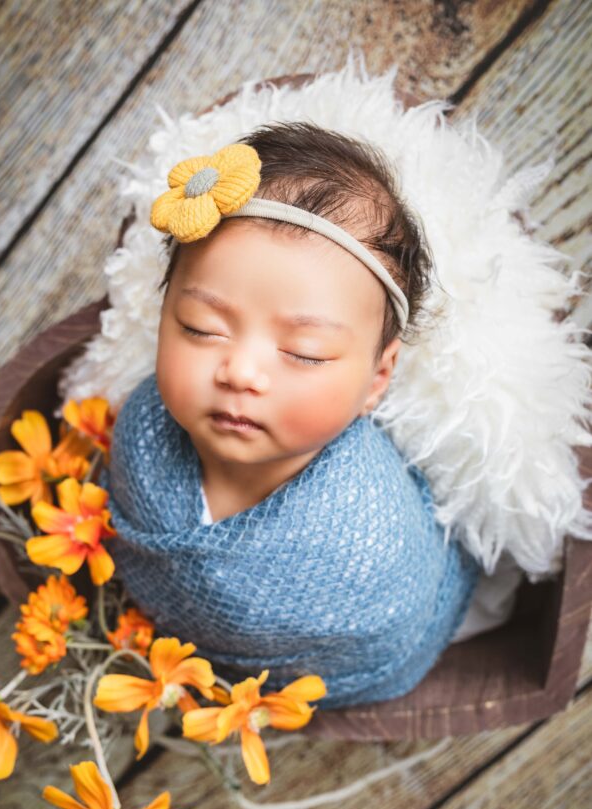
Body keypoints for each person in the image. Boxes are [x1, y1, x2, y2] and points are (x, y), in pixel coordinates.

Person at [101, 122, 487, 709]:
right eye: (200, 328)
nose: (241, 372)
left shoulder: (373, 543)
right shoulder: (142, 433)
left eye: (303, 353)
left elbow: (393, 622)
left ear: (375, 379)